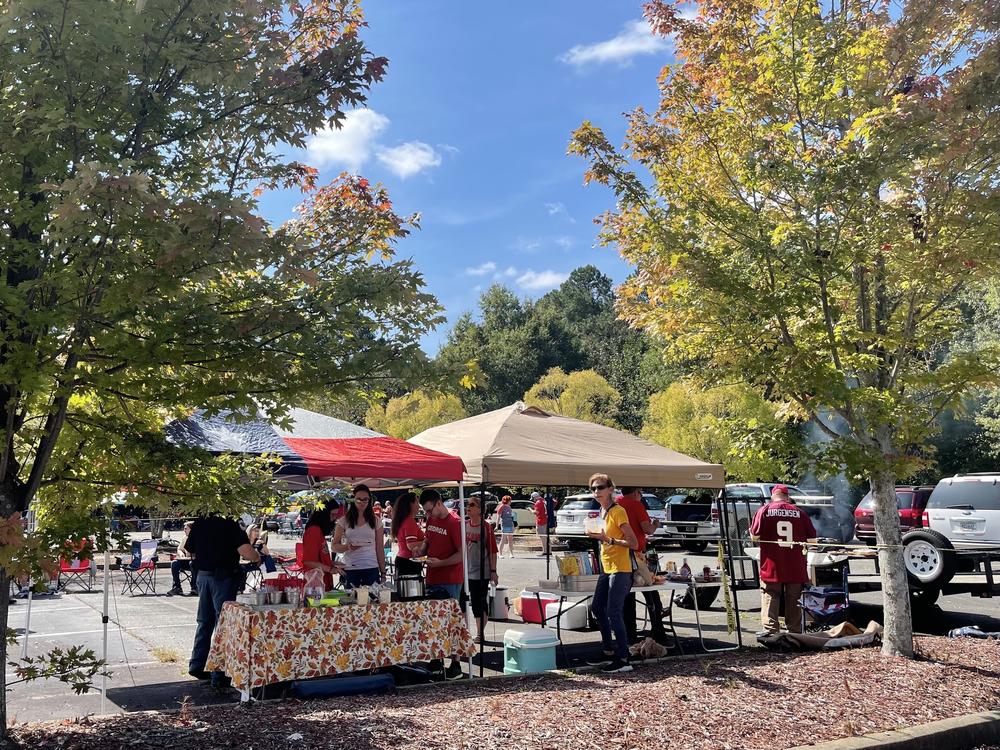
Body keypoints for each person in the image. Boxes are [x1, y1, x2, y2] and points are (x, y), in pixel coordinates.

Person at [187, 514, 260, 688]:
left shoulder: (200, 521)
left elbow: (190, 548)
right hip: (223, 577)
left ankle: (198, 665)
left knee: (204, 621)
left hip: (203, 576)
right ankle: (219, 673)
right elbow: (245, 551)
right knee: (224, 624)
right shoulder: (230, 524)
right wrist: (257, 557)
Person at [585, 473, 638, 674]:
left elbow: (633, 543)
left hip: (621, 568)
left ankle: (624, 658)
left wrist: (609, 540)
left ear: (610, 489)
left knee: (613, 611)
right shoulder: (602, 511)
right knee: (597, 607)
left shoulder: (618, 511)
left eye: (600, 487)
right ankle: (609, 651)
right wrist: (597, 536)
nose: (596, 492)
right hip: (607, 567)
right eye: (593, 488)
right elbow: (605, 537)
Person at [749, 484, 816, 637]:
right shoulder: (800, 513)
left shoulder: (764, 510)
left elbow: (754, 536)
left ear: (773, 496)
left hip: (772, 564)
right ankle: (794, 633)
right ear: (787, 497)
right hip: (795, 565)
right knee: (794, 598)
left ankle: (771, 632)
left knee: (770, 594)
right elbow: (812, 540)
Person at [420, 489, 465, 680]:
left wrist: (441, 563)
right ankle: (436, 659)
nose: (428, 515)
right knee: (433, 622)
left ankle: (456, 663)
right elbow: (428, 540)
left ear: (439, 503)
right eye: (426, 511)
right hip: (432, 576)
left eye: (430, 510)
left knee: (452, 622)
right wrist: (421, 551)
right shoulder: (431, 520)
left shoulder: (455, 523)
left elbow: (461, 554)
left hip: (450, 578)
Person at [616, 487, 667, 644]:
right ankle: (658, 630)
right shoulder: (635, 505)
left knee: (627, 596)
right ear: (636, 492)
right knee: (650, 591)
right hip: (637, 554)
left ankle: (629, 634)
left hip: (619, 554)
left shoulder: (615, 503)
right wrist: (656, 524)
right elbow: (648, 529)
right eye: (641, 493)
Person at [332, 484, 386, 589]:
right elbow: (334, 546)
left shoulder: (376, 521)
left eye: (365, 499)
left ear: (369, 500)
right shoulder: (344, 520)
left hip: (371, 567)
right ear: (353, 500)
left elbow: (380, 548)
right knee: (352, 602)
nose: (362, 502)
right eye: (358, 499)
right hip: (351, 568)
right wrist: (347, 547)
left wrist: (383, 572)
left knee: (373, 602)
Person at [464, 496, 499, 643]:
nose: (468, 507)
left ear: (480, 509)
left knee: (479, 603)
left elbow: (492, 551)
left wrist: (493, 572)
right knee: (467, 603)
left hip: (482, 572)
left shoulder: (486, 527)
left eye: (472, 505)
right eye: (468, 505)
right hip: (466, 572)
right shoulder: (464, 525)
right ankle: (467, 634)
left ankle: (480, 633)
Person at [302, 506, 342, 591]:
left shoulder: (319, 531)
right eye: (332, 515)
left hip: (322, 583)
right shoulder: (313, 530)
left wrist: (334, 563)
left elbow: (318, 559)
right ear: (323, 515)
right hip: (315, 586)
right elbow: (309, 561)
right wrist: (330, 569)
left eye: (336, 515)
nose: (334, 518)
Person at [391, 491, 425, 577]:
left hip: (403, 560)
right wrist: (427, 541)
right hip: (409, 562)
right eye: (416, 502)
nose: (419, 505)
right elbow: (411, 545)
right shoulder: (409, 521)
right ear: (410, 504)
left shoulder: (402, 520)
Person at [168, 522, 199, 596]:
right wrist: (181, 553)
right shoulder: (184, 537)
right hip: (185, 560)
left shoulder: (198, 538)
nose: (184, 530)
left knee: (192, 564)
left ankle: (195, 587)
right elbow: (179, 549)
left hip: (196, 562)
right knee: (174, 563)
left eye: (186, 529)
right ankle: (177, 587)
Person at [531, 491, 550, 555]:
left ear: (535, 497)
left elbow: (536, 512)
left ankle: (545, 551)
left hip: (541, 521)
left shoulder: (538, 502)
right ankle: (549, 551)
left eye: (533, 498)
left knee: (543, 537)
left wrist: (530, 510)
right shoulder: (544, 501)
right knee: (546, 537)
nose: (533, 500)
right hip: (546, 520)